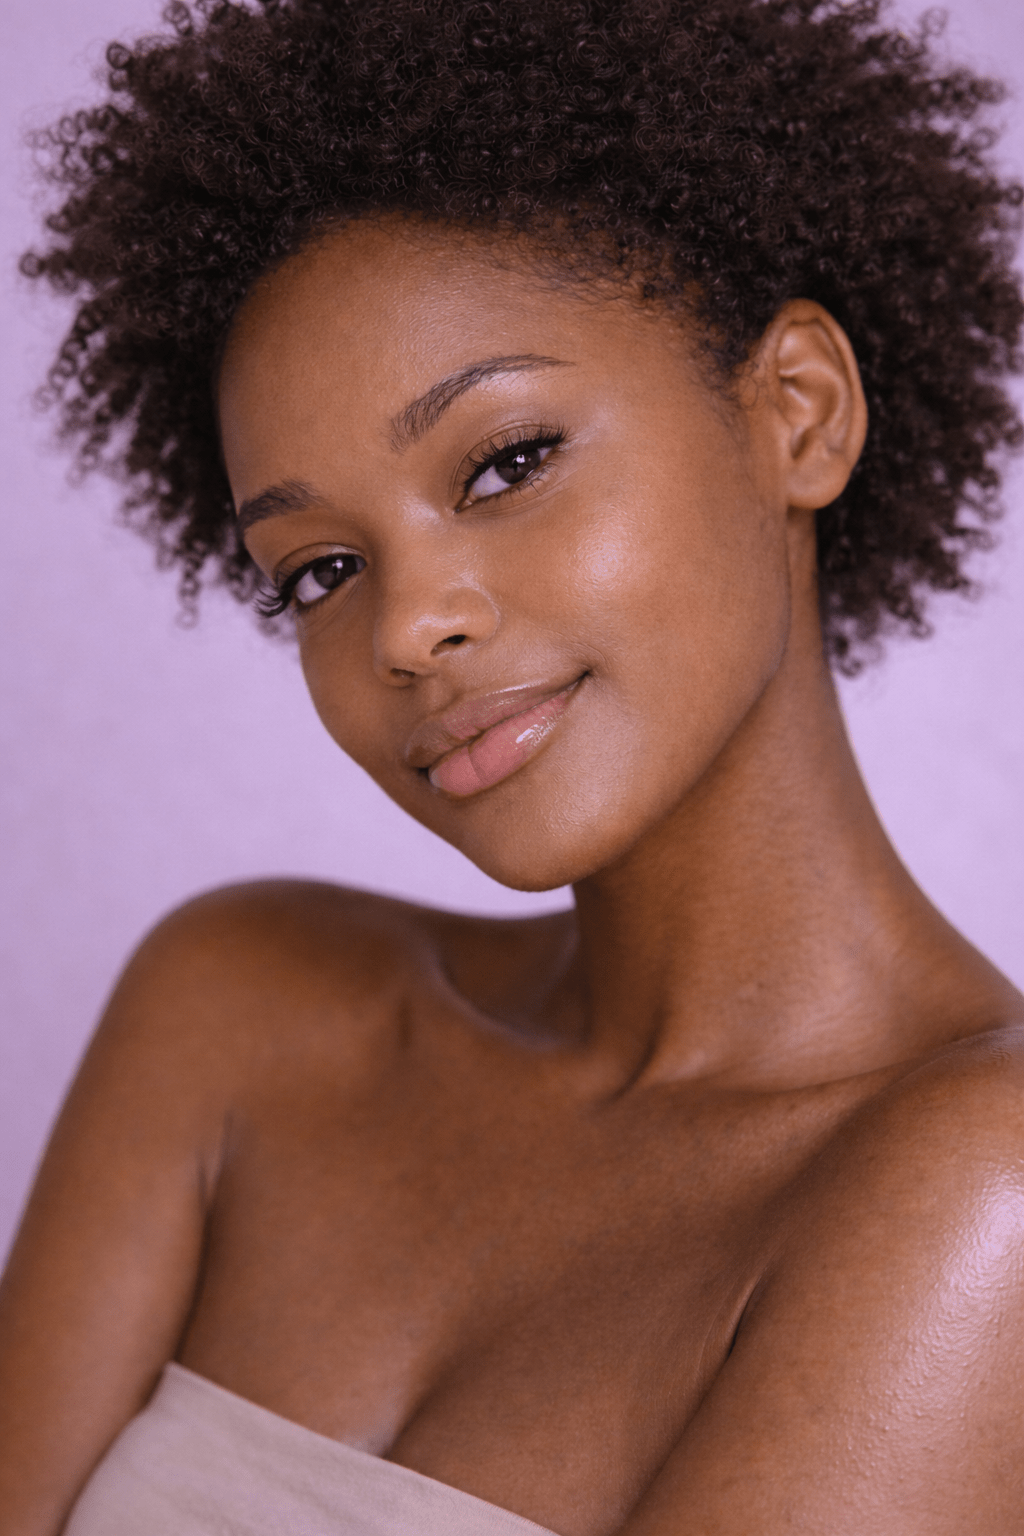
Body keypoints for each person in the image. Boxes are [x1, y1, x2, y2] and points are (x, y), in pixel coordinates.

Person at [1, 0, 1022, 1531]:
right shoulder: (234, 1012)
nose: (410, 629)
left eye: (505, 463)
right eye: (322, 570)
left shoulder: (977, 1190)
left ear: (795, 415)